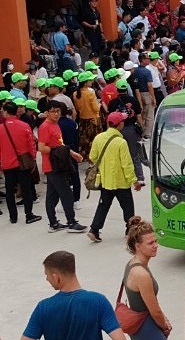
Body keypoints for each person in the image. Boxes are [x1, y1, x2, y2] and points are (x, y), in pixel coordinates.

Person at [87, 111, 143, 243]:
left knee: (103, 206)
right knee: (128, 206)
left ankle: (94, 230)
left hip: (106, 181)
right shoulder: (121, 142)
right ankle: (130, 230)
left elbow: (92, 157)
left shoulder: (99, 137)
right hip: (121, 182)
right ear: (121, 124)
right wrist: (134, 181)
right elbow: (127, 164)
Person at [38, 102, 86, 234]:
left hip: (58, 164)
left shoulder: (55, 125)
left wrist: (72, 153)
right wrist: (58, 151)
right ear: (47, 112)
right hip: (53, 166)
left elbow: (61, 144)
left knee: (52, 195)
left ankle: (53, 223)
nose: (56, 113)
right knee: (67, 194)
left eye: (58, 111)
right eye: (53, 111)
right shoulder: (45, 127)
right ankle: (71, 222)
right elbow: (41, 147)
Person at [0, 100, 41, 226]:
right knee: (26, 189)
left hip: (7, 163)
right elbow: (31, 144)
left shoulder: (1, 128)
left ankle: (13, 217)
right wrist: (33, 158)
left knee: (9, 190)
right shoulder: (24, 126)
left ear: (6, 112)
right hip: (23, 163)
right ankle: (29, 215)